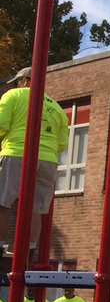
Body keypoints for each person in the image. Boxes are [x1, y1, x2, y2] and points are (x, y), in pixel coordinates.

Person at [0, 66, 68, 249]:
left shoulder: (13, 96)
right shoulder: (57, 108)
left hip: (16, 153)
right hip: (47, 160)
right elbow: (62, 144)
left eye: (17, 82)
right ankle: (28, 252)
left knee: (2, 202)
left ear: (24, 81)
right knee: (36, 209)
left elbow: (1, 125)